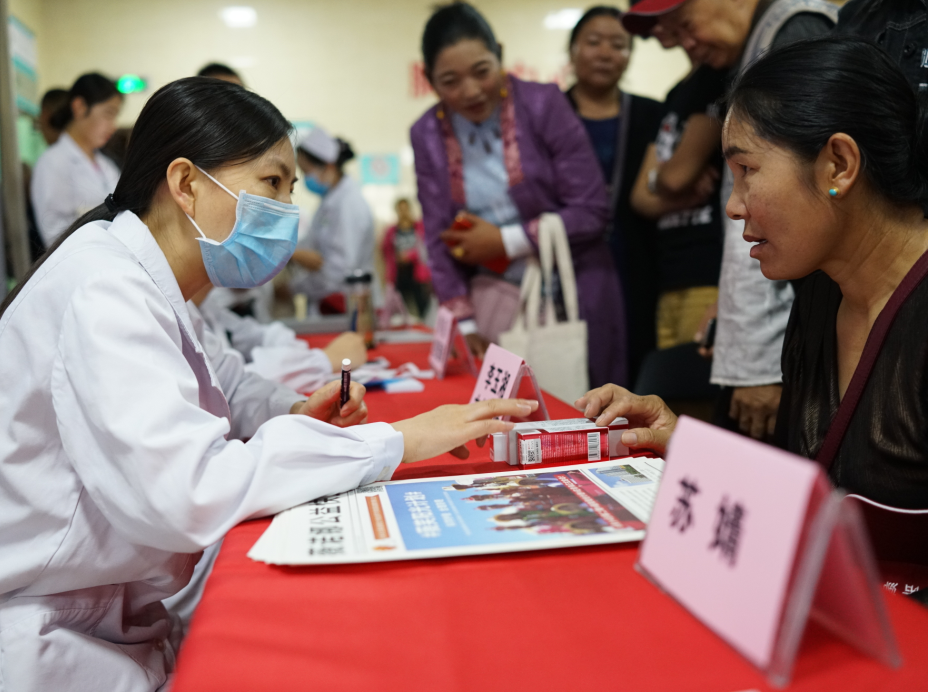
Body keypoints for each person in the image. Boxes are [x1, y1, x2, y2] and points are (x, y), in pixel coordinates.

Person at [0, 76, 537, 690]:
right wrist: (395, 442)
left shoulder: (147, 279)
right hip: (54, 632)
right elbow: (188, 492)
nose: (285, 212)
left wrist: (295, 409)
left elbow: (224, 382)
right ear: (186, 184)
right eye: (271, 184)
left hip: (109, 609)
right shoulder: (105, 289)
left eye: (291, 189)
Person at [580, 36, 928, 508]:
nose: (733, 206)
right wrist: (681, 440)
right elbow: (803, 494)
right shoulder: (820, 294)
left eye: (747, 169)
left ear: (838, 165)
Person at [622, 0, 837, 440]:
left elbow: (793, 208)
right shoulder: (754, 45)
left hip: (794, 322)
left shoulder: (793, 33)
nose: (684, 44)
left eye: (685, 26)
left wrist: (757, 361)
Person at [411, 3, 627, 387]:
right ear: (429, 79)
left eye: (482, 71)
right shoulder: (427, 133)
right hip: (495, 297)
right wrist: (465, 321)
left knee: (586, 402)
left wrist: (504, 241)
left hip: (575, 287)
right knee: (506, 409)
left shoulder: (543, 103)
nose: (471, 91)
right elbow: (439, 236)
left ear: (499, 54)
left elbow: (591, 210)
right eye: (450, 81)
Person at [564, 5, 663, 386]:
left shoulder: (652, 114)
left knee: (637, 365)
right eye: (593, 42)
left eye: (619, 45)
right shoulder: (550, 114)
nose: (605, 53)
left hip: (637, 258)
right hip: (568, 261)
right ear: (572, 50)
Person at [191, 284, 368, 393]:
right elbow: (223, 387)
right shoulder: (180, 310)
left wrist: (302, 360)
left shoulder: (204, 303)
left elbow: (259, 335)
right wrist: (325, 359)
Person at [289, 127, 376, 314]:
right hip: (330, 302)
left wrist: (295, 288)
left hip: (346, 303)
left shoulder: (350, 203)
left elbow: (341, 269)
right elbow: (310, 247)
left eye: (307, 172)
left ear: (328, 166)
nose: (306, 180)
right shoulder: (328, 202)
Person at [30, 73, 122, 247]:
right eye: (108, 114)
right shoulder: (53, 162)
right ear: (79, 107)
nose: (113, 125)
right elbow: (54, 234)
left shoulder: (106, 164)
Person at [382, 198, 431, 318]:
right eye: (400, 209)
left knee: (422, 304)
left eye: (405, 209)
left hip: (417, 273)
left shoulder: (419, 227)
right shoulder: (391, 231)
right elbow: (386, 252)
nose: (403, 212)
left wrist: (410, 255)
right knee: (400, 306)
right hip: (399, 273)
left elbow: (425, 248)